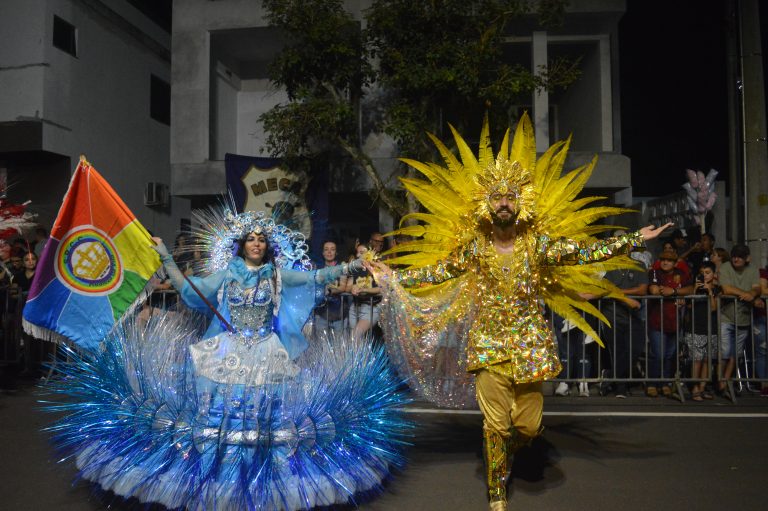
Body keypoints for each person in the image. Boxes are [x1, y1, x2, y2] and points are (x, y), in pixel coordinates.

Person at [369, 113, 670, 511]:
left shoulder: (538, 246)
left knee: (526, 425)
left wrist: (631, 240)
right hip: (489, 345)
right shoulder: (475, 248)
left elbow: (580, 253)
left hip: (530, 344)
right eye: (497, 197)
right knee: (495, 424)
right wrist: (395, 277)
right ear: (487, 204)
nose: (504, 203)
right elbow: (438, 271)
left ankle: (519, 444)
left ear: (520, 201)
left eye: (510, 196)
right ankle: (496, 493)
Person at [50, 206, 411, 510]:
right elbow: (192, 291)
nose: (257, 243)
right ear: (242, 245)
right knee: (219, 413)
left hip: (266, 351)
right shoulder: (226, 274)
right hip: (227, 350)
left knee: (266, 413)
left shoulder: (277, 276)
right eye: (251, 238)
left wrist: (350, 268)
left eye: (261, 239)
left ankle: (261, 476)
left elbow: (316, 276)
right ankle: (213, 475)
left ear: (267, 246)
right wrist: (165, 258)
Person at [647, 248, 694, 397]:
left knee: (670, 355)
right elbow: (654, 290)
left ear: (675, 263)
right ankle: (653, 383)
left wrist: (673, 292)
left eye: (669, 260)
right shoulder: (655, 272)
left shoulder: (681, 274)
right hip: (657, 320)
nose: (665, 262)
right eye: (663, 259)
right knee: (658, 354)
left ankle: (665, 383)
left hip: (675, 321)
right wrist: (673, 292)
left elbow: (691, 289)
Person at [717, 244, 761, 396]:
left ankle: (725, 382)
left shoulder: (753, 269)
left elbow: (757, 288)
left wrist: (753, 294)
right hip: (726, 316)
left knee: (735, 354)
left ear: (747, 258)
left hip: (744, 318)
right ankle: (720, 381)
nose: (736, 258)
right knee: (725, 351)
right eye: (734, 255)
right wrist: (748, 296)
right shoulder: (725, 267)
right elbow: (727, 289)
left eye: (740, 256)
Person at [684, 261, 721, 400]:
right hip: (695, 329)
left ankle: (703, 387)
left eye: (707, 273)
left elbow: (713, 308)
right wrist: (695, 289)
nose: (704, 276)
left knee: (707, 360)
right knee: (696, 360)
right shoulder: (695, 288)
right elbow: (688, 307)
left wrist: (710, 291)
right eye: (702, 273)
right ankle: (695, 388)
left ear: (713, 274)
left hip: (712, 329)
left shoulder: (717, 289)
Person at [312, 240, 347, 337]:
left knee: (339, 347)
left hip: (339, 314)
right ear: (323, 253)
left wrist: (329, 290)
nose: (329, 252)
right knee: (322, 346)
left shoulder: (342, 267)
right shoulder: (318, 268)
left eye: (332, 250)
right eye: (326, 250)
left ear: (336, 252)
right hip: (321, 313)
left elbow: (343, 287)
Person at [347, 244, 382, 340]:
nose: (358, 255)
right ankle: (358, 356)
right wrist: (353, 288)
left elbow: (381, 288)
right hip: (355, 306)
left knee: (355, 336)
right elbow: (350, 286)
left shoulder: (377, 268)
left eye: (362, 253)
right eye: (357, 253)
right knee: (355, 341)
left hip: (371, 307)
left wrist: (364, 290)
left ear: (370, 253)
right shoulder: (356, 268)